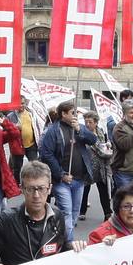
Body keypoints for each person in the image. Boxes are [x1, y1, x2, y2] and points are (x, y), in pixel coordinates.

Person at [38, 100, 97, 242]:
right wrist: (61, 174)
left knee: (75, 212)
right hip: (62, 181)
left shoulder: (79, 127)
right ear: (63, 114)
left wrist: (79, 130)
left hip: (79, 179)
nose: (75, 115)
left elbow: (93, 139)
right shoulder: (53, 131)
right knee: (66, 212)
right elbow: (47, 154)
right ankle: (68, 244)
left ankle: (63, 239)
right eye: (72, 113)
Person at [79, 111, 114, 223]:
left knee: (103, 190)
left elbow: (106, 143)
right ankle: (82, 211)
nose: (88, 124)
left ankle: (107, 213)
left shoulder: (101, 132)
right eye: (86, 122)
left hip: (100, 166)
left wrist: (108, 144)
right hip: (88, 166)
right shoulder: (82, 133)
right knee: (85, 189)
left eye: (90, 122)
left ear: (96, 123)